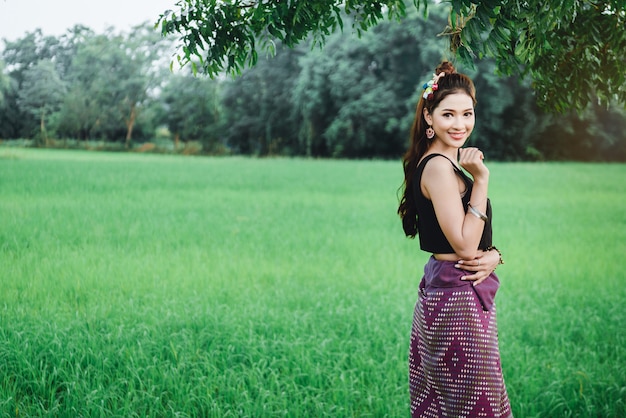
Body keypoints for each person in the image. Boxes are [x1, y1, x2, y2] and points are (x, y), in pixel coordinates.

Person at [398, 61, 513, 417]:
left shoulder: (447, 165)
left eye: (467, 113)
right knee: (476, 404)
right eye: (448, 114)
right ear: (429, 118)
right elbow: (463, 245)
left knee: (457, 401)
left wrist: (494, 255)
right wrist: (482, 179)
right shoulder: (437, 168)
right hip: (456, 298)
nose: (460, 124)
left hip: (456, 289)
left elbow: (470, 240)